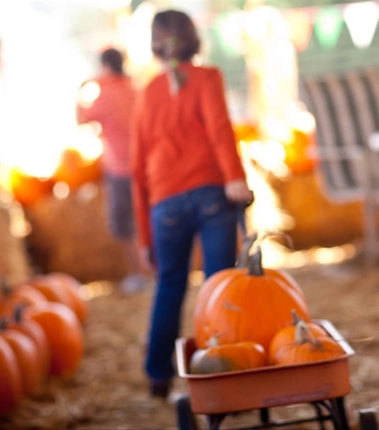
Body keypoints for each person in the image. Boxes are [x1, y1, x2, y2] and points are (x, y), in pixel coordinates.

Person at [131, 9, 253, 399]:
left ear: (156, 44)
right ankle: (219, 373)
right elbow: (219, 127)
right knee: (217, 285)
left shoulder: (146, 94)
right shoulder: (207, 77)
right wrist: (235, 178)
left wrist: (144, 237)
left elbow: (137, 169)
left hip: (163, 204)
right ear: (193, 39)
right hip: (210, 194)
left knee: (169, 283)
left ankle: (157, 375)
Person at [76, 48, 150, 293]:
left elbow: (81, 120)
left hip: (120, 169)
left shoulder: (105, 95)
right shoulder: (136, 90)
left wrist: (81, 89)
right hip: (145, 165)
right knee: (147, 219)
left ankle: (137, 274)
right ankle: (155, 270)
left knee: (124, 223)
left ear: (105, 67)